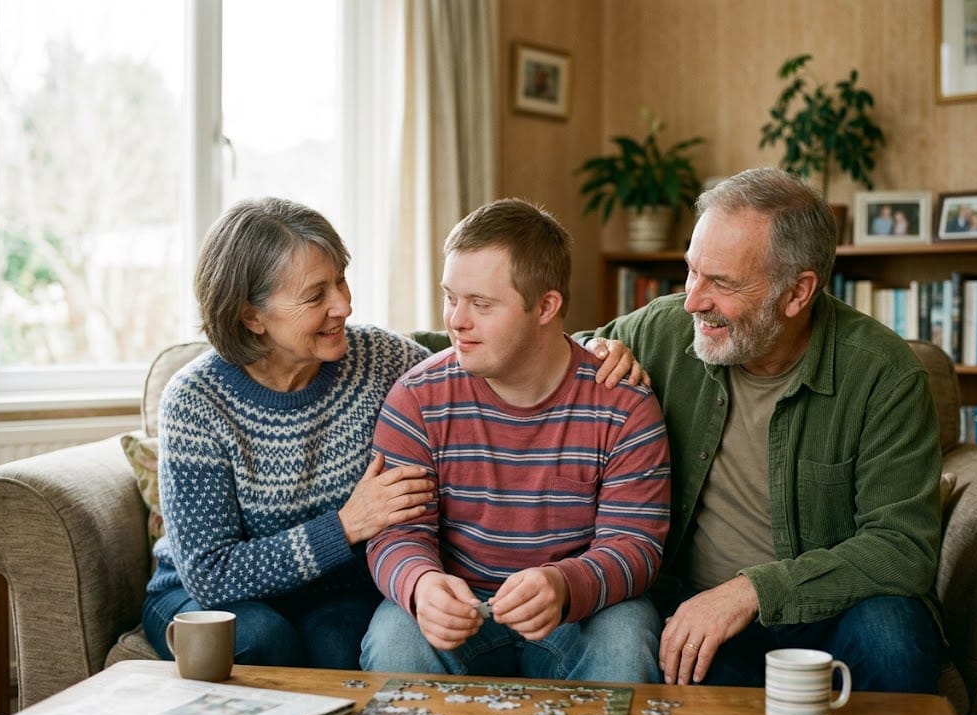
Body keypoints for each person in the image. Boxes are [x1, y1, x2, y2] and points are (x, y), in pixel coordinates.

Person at [582, 167, 943, 693]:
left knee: (894, 636)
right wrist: (594, 350)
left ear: (797, 293)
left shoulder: (885, 375)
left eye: (722, 283)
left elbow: (903, 547)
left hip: (834, 609)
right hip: (700, 612)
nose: (693, 301)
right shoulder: (662, 330)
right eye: (691, 272)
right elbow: (544, 354)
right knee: (691, 675)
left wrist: (749, 592)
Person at [360, 198, 671, 682]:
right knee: (394, 637)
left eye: (481, 304)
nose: (456, 321)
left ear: (546, 306)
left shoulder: (623, 403)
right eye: (450, 297)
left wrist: (564, 584)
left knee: (626, 638)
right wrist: (421, 585)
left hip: (578, 610)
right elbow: (396, 533)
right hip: (459, 607)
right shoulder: (417, 398)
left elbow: (635, 545)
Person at [142, 197, 437, 670]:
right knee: (260, 638)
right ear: (251, 315)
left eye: (340, 278)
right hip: (202, 595)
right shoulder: (196, 401)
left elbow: (477, 369)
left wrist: (592, 351)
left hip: (334, 594)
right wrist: (346, 526)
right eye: (316, 295)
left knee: (341, 644)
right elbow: (210, 574)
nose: (344, 304)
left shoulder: (379, 359)